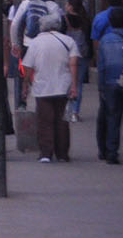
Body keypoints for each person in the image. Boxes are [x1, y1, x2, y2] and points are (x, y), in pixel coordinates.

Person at [21, 13, 79, 163]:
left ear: (42, 26)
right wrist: (74, 85)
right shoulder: (69, 41)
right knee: (62, 121)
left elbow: (27, 67)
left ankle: (46, 153)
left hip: (42, 86)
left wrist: (25, 86)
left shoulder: (35, 43)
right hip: (63, 86)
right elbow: (73, 64)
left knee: (45, 120)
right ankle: (62, 154)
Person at [95, 4, 123, 164]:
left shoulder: (105, 41)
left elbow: (101, 65)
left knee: (112, 118)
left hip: (110, 82)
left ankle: (111, 153)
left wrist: (100, 86)